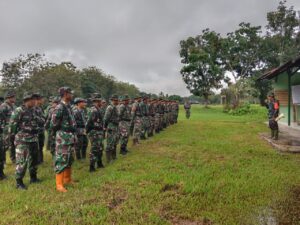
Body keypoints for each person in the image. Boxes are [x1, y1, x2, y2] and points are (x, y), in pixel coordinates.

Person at [10, 92, 40, 190]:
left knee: (34, 159)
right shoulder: (19, 110)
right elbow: (13, 126)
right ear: (27, 100)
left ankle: (33, 177)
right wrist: (15, 138)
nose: (35, 101)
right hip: (23, 140)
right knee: (22, 161)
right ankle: (19, 182)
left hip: (34, 138)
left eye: (35, 99)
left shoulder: (34, 110)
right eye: (33, 100)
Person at [50, 87, 77, 193]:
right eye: (70, 93)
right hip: (63, 137)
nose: (72, 95)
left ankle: (68, 179)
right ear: (65, 94)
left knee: (69, 158)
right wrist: (61, 132)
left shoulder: (68, 106)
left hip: (70, 136)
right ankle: (59, 184)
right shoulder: (59, 107)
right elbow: (53, 124)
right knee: (61, 159)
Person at [85, 93, 105, 172]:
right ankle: (92, 166)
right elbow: (89, 122)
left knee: (100, 147)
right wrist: (87, 131)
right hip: (94, 132)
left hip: (99, 131)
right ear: (97, 101)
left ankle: (99, 163)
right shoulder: (93, 110)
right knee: (94, 149)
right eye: (100, 101)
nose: (101, 102)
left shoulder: (98, 109)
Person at [0, 90, 16, 163]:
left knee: (12, 144)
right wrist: (3, 128)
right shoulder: (3, 106)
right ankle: (3, 161)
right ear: (9, 98)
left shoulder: (13, 106)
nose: (14, 98)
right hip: (5, 129)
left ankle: (13, 159)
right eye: (13, 97)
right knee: (5, 146)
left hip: (13, 129)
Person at [104, 94, 119, 163]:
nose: (117, 101)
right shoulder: (109, 107)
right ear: (112, 100)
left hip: (115, 126)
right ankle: (108, 159)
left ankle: (114, 156)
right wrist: (105, 127)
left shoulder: (115, 107)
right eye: (116, 100)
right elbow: (106, 118)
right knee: (110, 142)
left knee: (115, 141)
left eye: (117, 100)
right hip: (111, 126)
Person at [33, 93, 46, 164]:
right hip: (36, 130)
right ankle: (37, 161)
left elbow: (44, 118)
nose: (43, 100)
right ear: (37, 100)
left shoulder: (40, 108)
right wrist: (42, 120)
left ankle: (40, 160)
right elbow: (35, 119)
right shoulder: (33, 108)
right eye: (42, 99)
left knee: (41, 145)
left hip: (41, 130)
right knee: (36, 147)